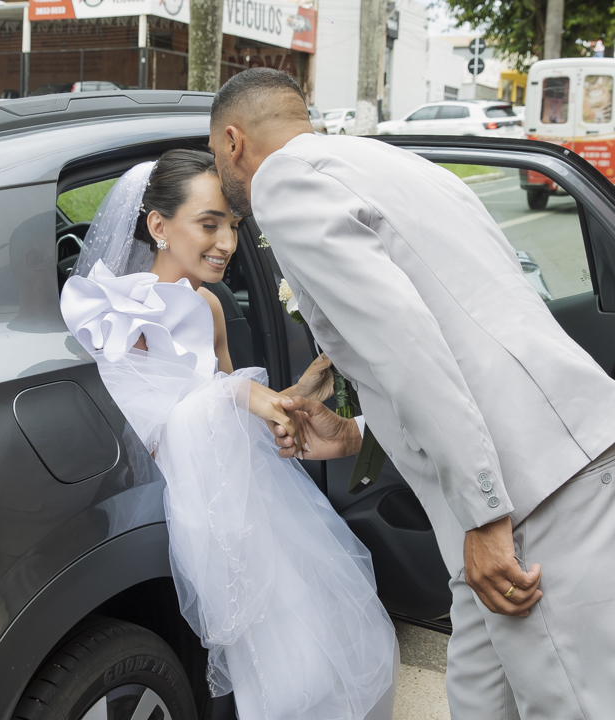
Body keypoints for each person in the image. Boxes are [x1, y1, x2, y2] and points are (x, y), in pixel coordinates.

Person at [209, 67, 615, 719]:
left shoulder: (283, 181)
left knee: (570, 703)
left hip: (527, 496)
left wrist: (485, 516)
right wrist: (354, 434)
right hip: (549, 461)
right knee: (480, 700)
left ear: (233, 142)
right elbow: (464, 331)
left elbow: (406, 345)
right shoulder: (400, 164)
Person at [60, 150, 397, 719]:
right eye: (209, 223)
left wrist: (298, 393)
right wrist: (239, 393)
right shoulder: (122, 315)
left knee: (322, 657)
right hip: (196, 515)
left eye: (235, 226)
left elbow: (227, 416)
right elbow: (154, 434)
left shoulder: (210, 306)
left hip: (253, 497)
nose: (227, 243)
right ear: (159, 226)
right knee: (270, 673)